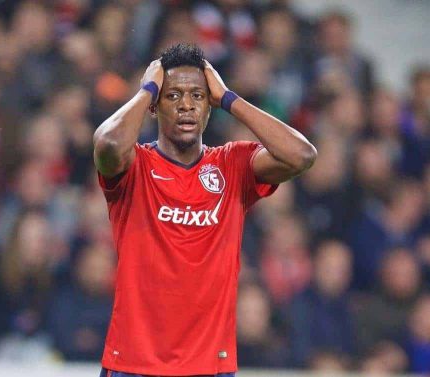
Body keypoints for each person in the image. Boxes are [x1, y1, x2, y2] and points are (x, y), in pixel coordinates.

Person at [92, 44, 316, 377]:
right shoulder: (135, 165)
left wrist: (228, 98)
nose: (186, 105)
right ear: (155, 106)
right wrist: (146, 91)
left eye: (198, 96)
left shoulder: (232, 165)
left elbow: (301, 155)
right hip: (134, 363)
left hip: (209, 364)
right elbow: (108, 144)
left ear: (209, 107)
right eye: (172, 96)